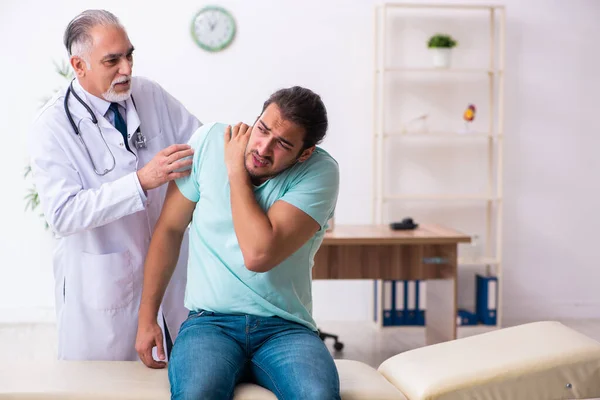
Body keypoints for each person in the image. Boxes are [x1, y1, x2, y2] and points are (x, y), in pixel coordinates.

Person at [135, 86, 341, 399]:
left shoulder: (319, 171)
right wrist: (147, 318)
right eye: (262, 129)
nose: (263, 147)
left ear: (304, 153)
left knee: (317, 396)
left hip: (285, 328)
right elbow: (169, 230)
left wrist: (234, 171)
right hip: (210, 324)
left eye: (283, 144)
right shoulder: (208, 142)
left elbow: (258, 254)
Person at [28, 9, 201, 361]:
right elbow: (62, 214)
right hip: (105, 284)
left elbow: (198, 144)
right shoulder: (52, 127)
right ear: (79, 66)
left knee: (177, 374)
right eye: (112, 60)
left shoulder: (150, 95)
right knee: (107, 386)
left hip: (170, 271)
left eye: (129, 54)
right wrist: (140, 182)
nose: (127, 69)